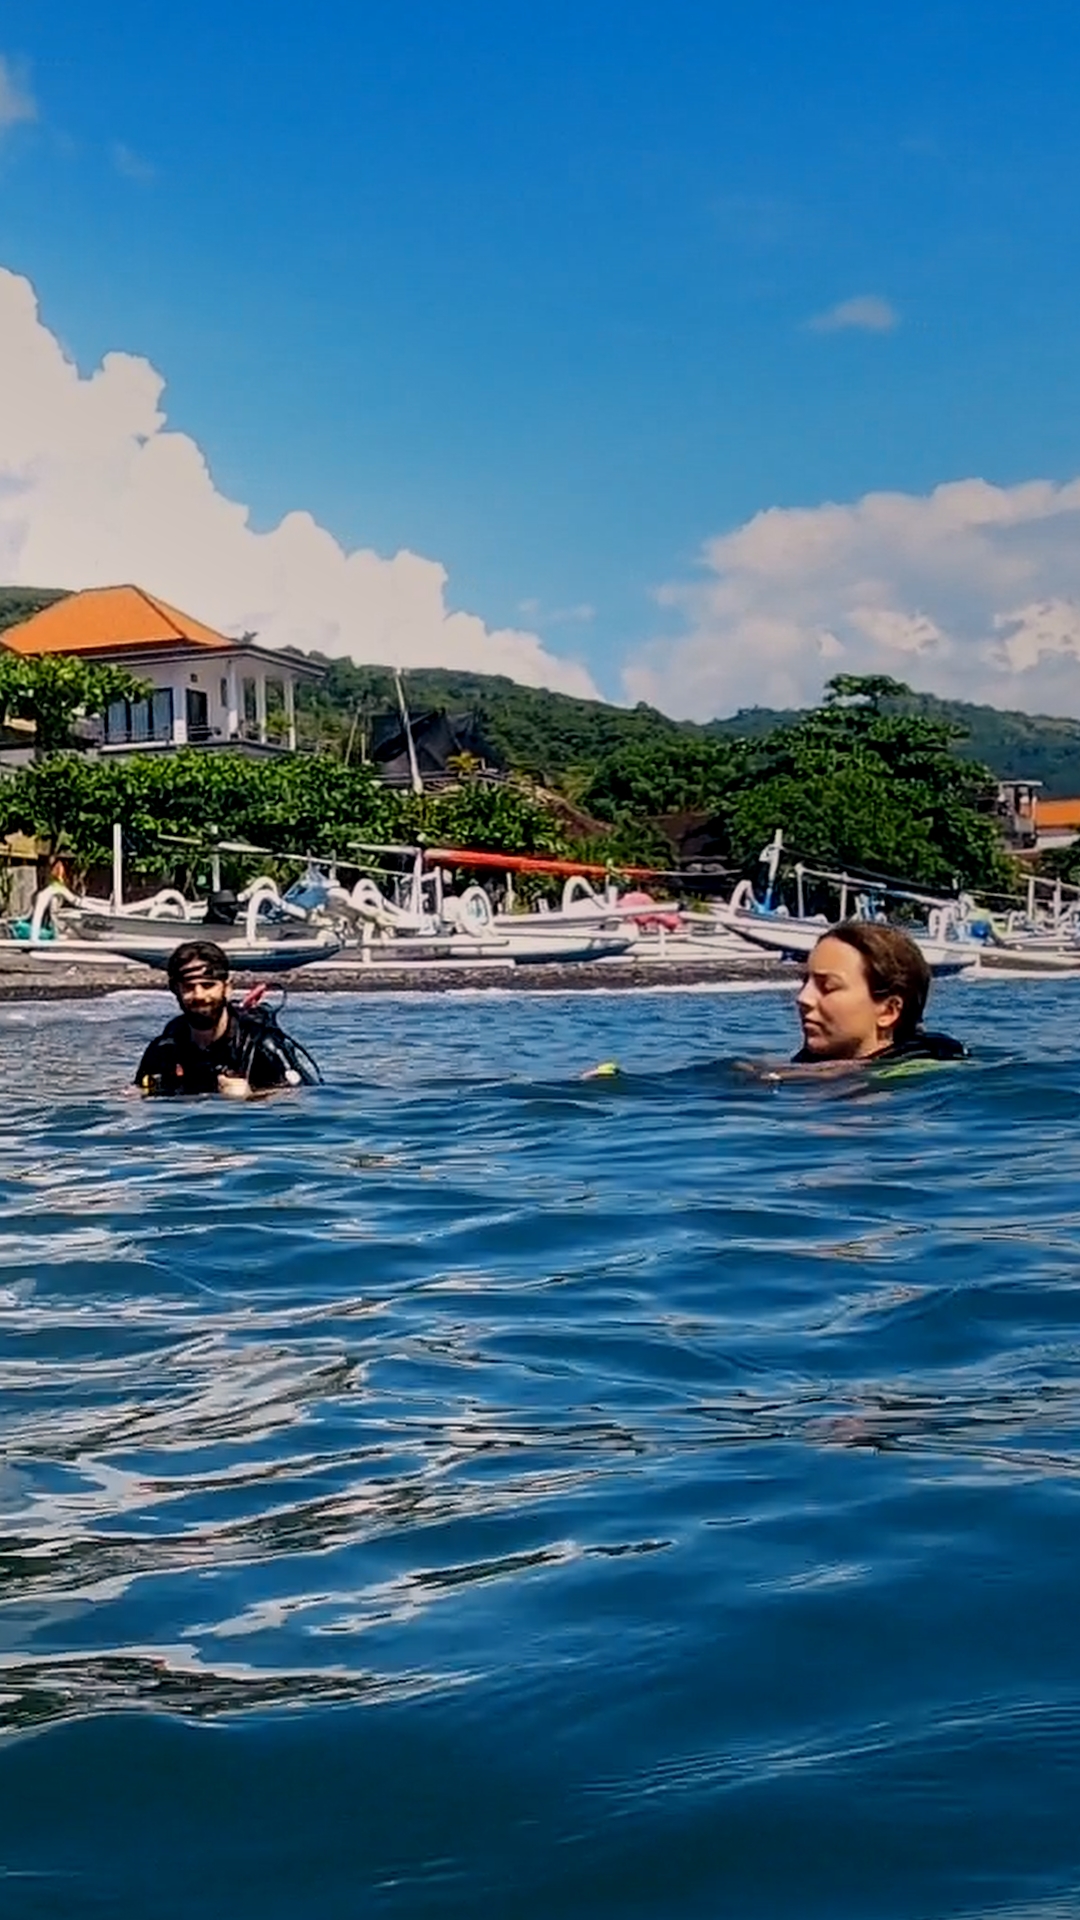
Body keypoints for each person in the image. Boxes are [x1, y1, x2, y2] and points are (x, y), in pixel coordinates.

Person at [134, 940, 321, 1097]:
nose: (199, 995)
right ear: (175, 990)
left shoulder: (260, 1044)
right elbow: (137, 1092)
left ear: (227, 988)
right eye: (189, 987)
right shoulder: (165, 1048)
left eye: (208, 985)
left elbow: (304, 1100)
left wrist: (252, 1097)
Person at [794, 921, 966, 1066]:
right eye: (805, 982)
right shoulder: (806, 1068)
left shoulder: (916, 1078)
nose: (802, 998)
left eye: (828, 987)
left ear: (888, 1011)